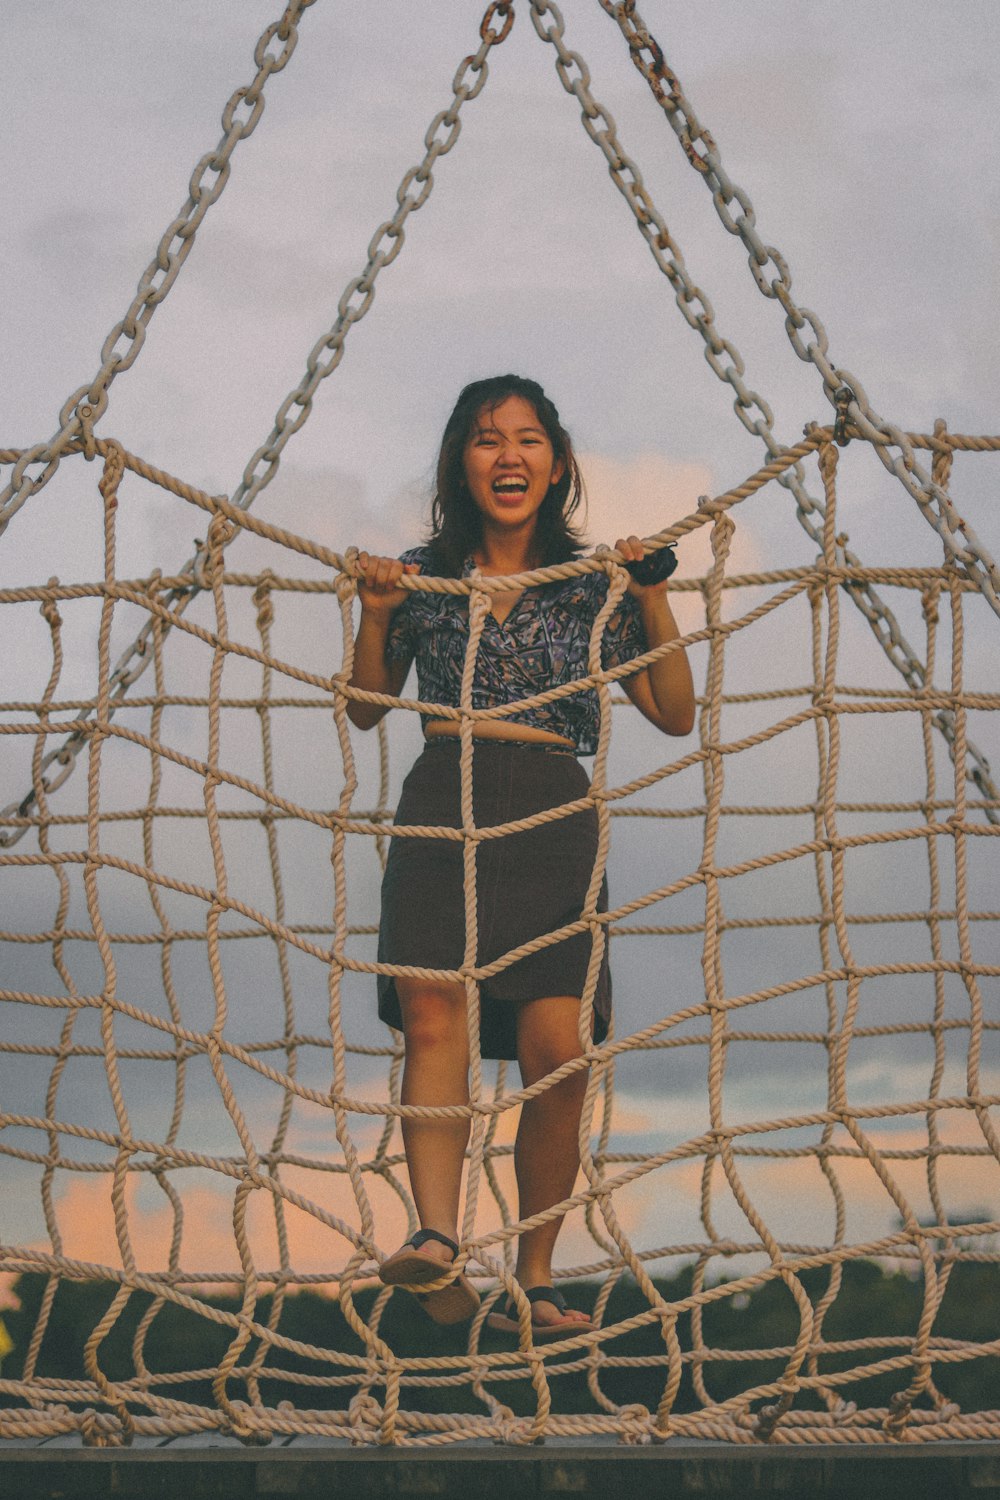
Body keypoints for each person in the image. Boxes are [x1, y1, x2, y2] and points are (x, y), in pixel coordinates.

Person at [346, 375, 695, 1338]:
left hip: (549, 806)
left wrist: (654, 597)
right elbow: (367, 704)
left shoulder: (596, 585)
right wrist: (376, 611)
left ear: (557, 462)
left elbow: (674, 714)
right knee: (430, 1009)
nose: (510, 456)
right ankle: (434, 1239)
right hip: (442, 794)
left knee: (557, 1053)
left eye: (529, 439)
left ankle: (535, 1276)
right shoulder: (419, 575)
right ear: (461, 461)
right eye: (488, 440)